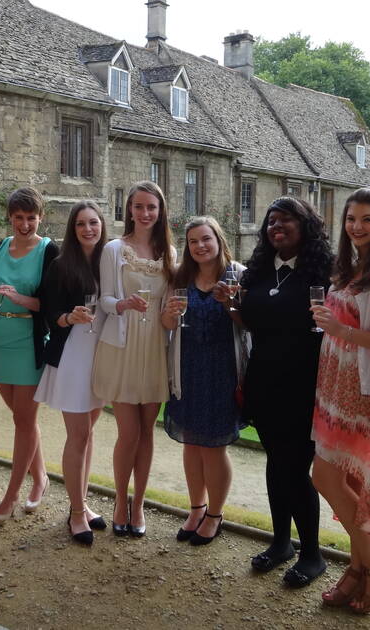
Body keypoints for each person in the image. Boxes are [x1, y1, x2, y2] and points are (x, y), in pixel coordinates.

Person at [309, 187, 370, 612]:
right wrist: (332, 326)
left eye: (367, 219)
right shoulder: (350, 268)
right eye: (351, 219)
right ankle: (359, 568)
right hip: (333, 379)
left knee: (325, 476)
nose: (357, 227)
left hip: (361, 387)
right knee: (339, 480)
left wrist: (340, 328)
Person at [228, 196, 332, 586]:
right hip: (265, 379)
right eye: (271, 222)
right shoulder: (258, 272)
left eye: (286, 221)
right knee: (276, 462)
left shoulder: (321, 273)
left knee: (294, 468)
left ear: (305, 227)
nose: (277, 227)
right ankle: (281, 543)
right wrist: (232, 308)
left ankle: (313, 554)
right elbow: (249, 321)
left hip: (305, 384)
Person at [92, 180, 175, 537]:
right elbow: (104, 300)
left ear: (160, 212)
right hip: (123, 346)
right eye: (139, 206)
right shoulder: (113, 249)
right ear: (129, 209)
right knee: (129, 433)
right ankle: (118, 500)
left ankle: (138, 504)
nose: (144, 213)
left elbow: (173, 305)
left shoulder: (170, 253)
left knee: (148, 433)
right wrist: (122, 304)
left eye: (151, 207)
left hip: (155, 346)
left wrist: (173, 313)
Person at [162, 216, 249, 546]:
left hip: (222, 371)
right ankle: (196, 508)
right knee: (191, 444)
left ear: (218, 241)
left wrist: (230, 303)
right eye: (193, 241)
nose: (199, 246)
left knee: (213, 448)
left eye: (206, 239)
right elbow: (166, 323)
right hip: (187, 369)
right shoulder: (181, 277)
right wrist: (170, 313)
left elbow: (248, 323)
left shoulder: (237, 275)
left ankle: (215, 513)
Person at [0, 187, 58, 525]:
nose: (24, 224)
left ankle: (10, 495)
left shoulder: (49, 251)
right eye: (18, 218)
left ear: (39, 218)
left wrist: (20, 298)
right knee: (22, 419)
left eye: (31, 218)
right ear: (9, 217)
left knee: (23, 421)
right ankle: (41, 478)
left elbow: (53, 304)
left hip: (29, 341)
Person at [34, 201, 107, 544]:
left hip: (102, 354)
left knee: (89, 434)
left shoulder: (112, 260)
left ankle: (83, 504)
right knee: (77, 435)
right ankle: (76, 513)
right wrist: (68, 317)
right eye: (81, 224)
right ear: (73, 229)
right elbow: (49, 311)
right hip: (72, 354)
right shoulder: (62, 264)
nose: (88, 229)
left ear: (102, 225)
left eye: (94, 223)